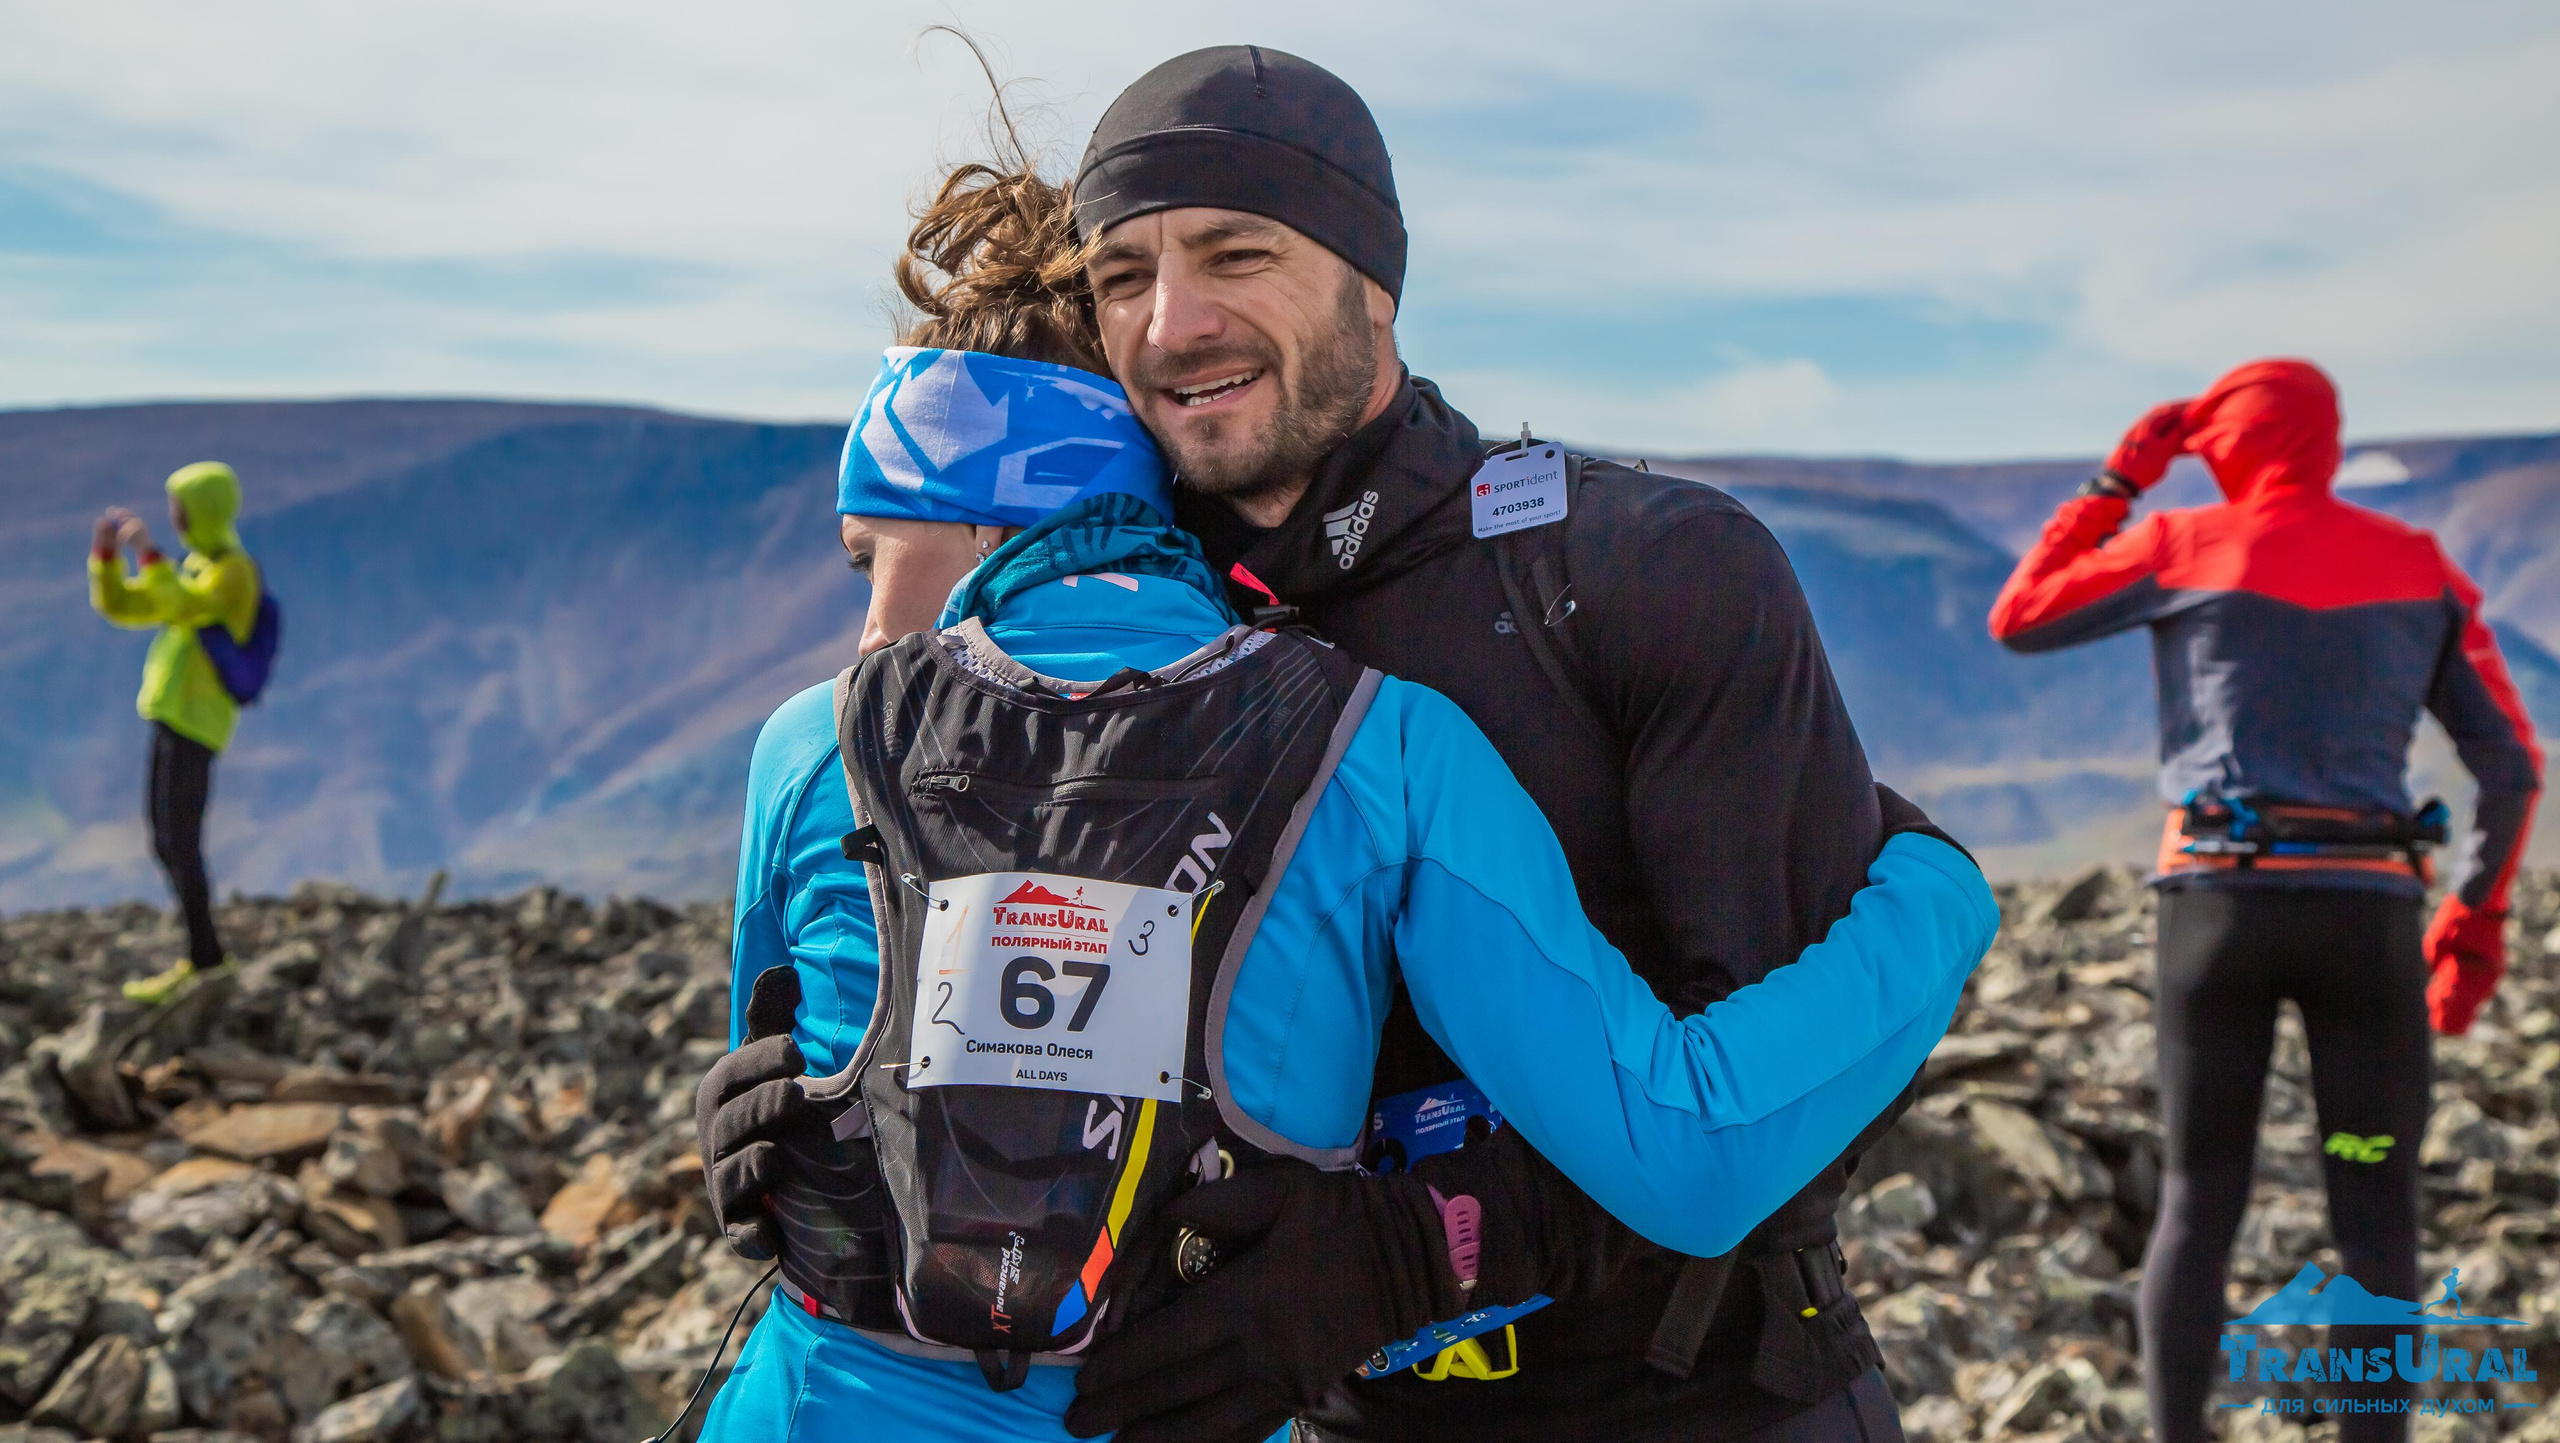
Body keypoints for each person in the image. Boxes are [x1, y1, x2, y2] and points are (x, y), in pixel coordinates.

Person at [690, 146, 1998, 1443]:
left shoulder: (814, 746)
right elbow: (1693, 1141)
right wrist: (1936, 887)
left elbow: (812, 1033)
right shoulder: (1373, 742)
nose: (867, 628)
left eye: (874, 557)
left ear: (980, 503)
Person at [1049, 46, 1939, 1443]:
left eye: (1237, 254)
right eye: (1121, 277)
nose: (1172, 325)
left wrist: (1411, 1251)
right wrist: (825, 1112)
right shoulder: (1119, 640)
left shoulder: (1647, 570)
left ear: (1374, 278)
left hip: (1705, 1403)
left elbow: (1789, 1111)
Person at [1986, 359, 2542, 1443]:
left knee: (2198, 1202)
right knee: (2374, 1211)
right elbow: (2511, 766)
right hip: (2367, 927)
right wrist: (2472, 917)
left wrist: (2117, 482)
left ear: (2222, 442)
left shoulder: (2181, 542)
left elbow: (2020, 617)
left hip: (2216, 919)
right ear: (2325, 442)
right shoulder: (2417, 565)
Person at [87, 461, 263, 1003]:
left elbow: (181, 603)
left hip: (198, 723)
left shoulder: (232, 573)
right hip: (169, 716)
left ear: (204, 507)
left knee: (181, 841)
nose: (174, 517)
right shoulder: (194, 566)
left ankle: (206, 961)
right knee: (165, 841)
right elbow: (129, 605)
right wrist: (107, 559)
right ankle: (203, 955)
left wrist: (149, 554)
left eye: (181, 506)